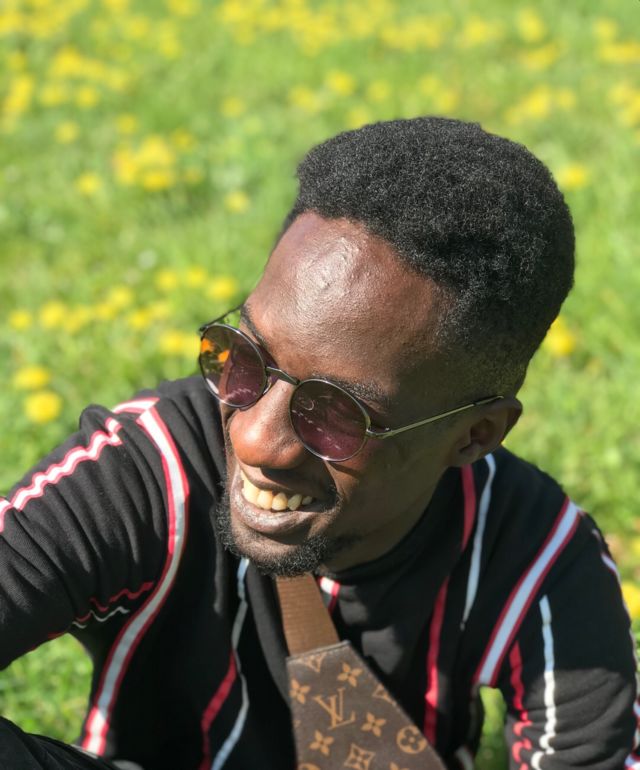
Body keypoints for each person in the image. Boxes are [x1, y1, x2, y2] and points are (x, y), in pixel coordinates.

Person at [0, 117, 638, 770]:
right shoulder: (151, 469)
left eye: (336, 413)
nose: (255, 439)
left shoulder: (533, 553)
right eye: (244, 357)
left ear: (475, 435)